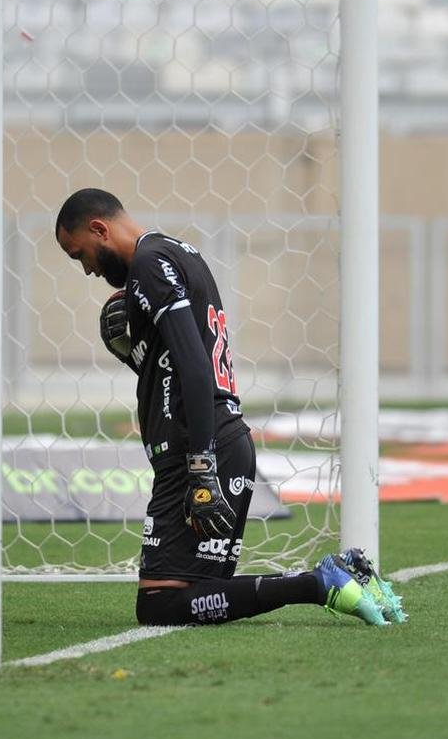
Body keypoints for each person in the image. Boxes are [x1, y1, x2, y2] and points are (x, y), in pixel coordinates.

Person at [55, 188, 405, 627]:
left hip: (197, 450)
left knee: (160, 604)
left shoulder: (149, 264)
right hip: (222, 440)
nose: (87, 268)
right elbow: (181, 360)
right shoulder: (178, 253)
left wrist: (201, 467)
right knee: (200, 595)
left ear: (99, 229)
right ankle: (343, 574)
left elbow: (195, 366)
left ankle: (319, 584)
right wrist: (138, 351)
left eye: (79, 254)